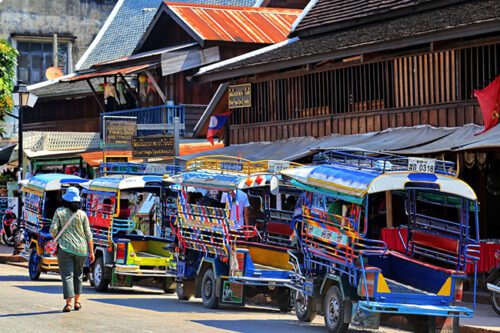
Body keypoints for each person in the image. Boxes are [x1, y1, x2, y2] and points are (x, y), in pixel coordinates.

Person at [50, 187, 94, 313]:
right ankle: (77, 302)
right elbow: (88, 234)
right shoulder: (82, 214)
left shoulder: (59, 212)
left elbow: (53, 230)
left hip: (65, 249)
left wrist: (57, 237)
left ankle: (68, 304)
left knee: (67, 276)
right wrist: (91, 252)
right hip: (81, 249)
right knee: (78, 275)